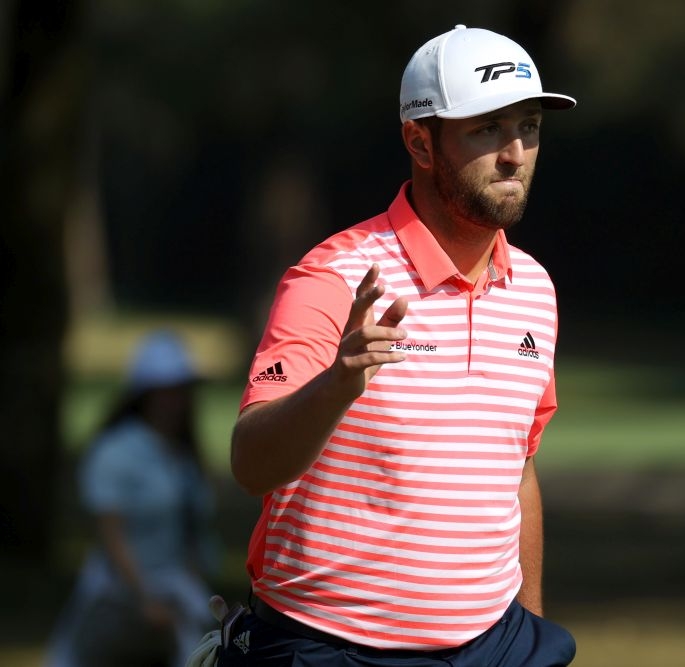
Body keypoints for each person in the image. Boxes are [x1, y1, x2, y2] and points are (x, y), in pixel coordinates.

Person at [218, 23, 577, 667]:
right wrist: (336, 385)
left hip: (493, 644)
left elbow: (516, 469)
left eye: (528, 126)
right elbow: (251, 463)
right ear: (420, 141)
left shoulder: (535, 290)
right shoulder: (332, 278)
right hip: (333, 645)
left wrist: (533, 624)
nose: (516, 153)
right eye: (487, 129)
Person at [47, 330, 219, 667]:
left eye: (181, 390)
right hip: (119, 591)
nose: (177, 401)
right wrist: (144, 597)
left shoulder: (183, 456)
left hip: (176, 590)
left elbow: (192, 530)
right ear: (146, 395)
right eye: (167, 391)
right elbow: (111, 533)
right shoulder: (115, 450)